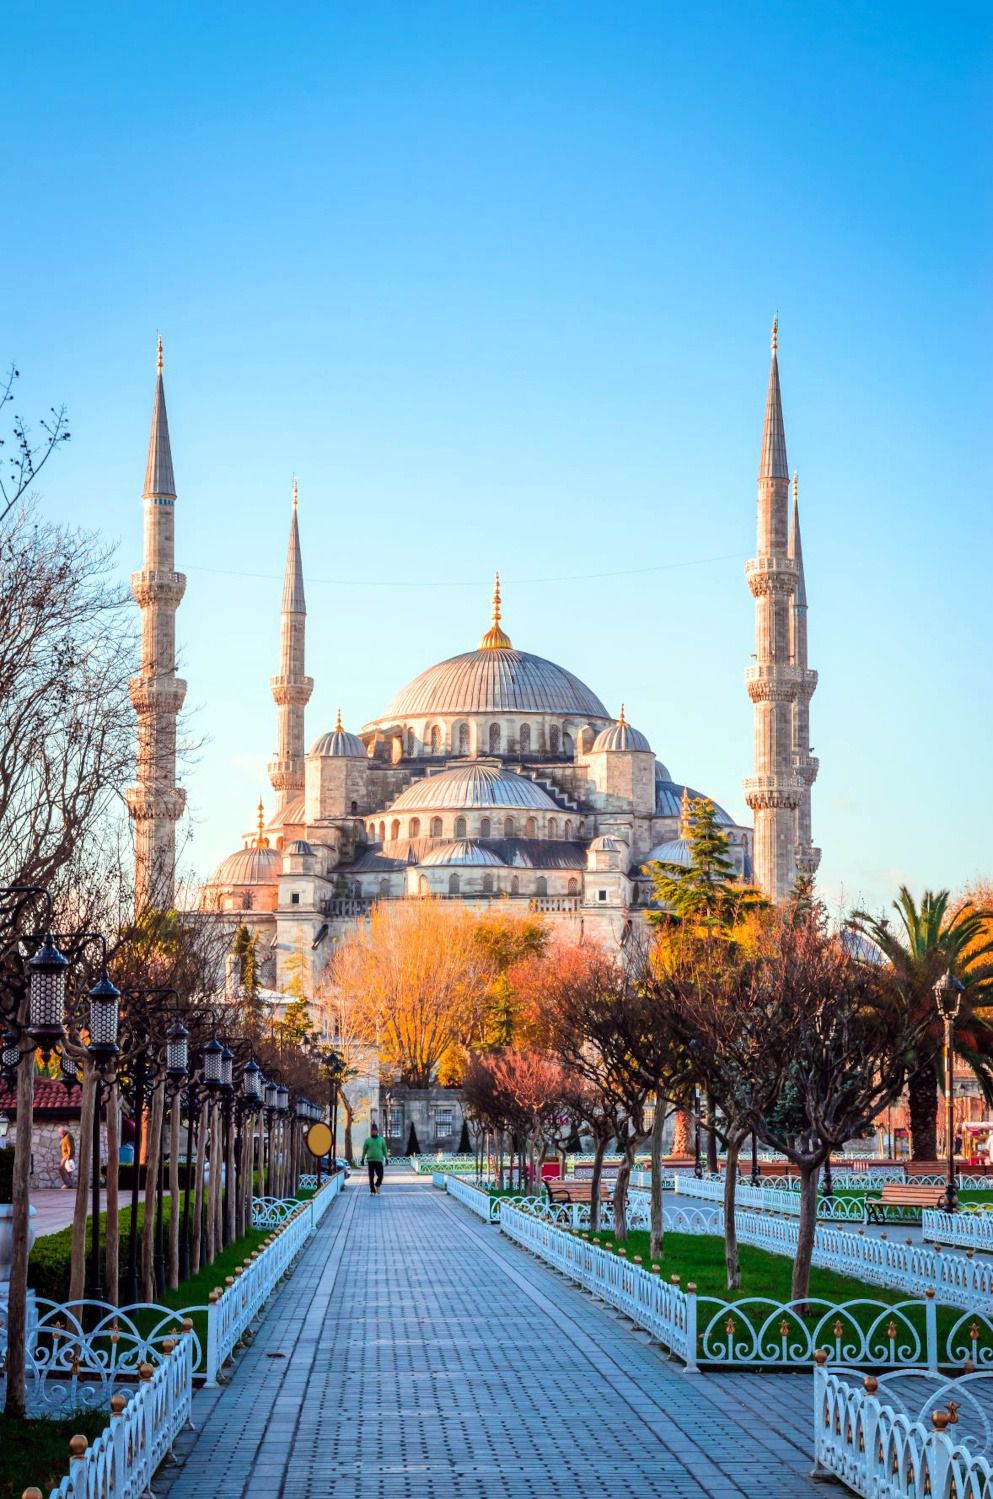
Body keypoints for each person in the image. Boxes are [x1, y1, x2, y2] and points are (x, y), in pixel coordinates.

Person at [361, 1124, 388, 1195]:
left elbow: (384, 1149)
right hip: (370, 1160)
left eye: (375, 1131)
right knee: (371, 1176)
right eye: (372, 1131)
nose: (373, 1132)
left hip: (379, 1160)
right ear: (371, 1132)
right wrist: (362, 1158)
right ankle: (372, 1191)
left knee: (381, 1175)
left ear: (377, 1131)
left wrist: (387, 1158)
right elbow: (364, 1150)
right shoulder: (367, 1140)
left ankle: (377, 1185)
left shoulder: (381, 1139)